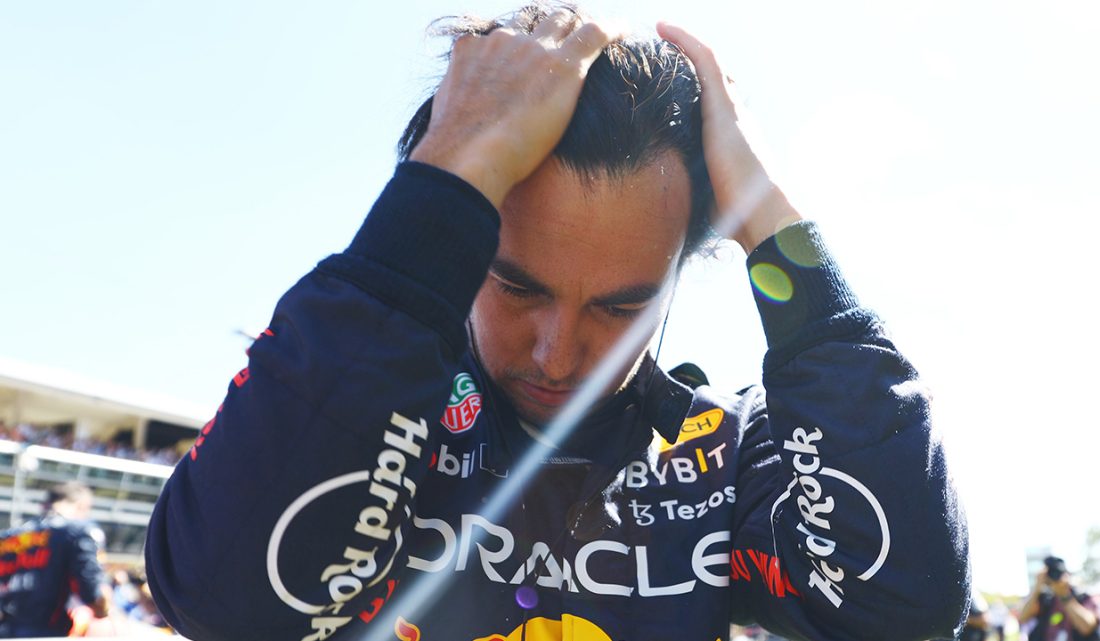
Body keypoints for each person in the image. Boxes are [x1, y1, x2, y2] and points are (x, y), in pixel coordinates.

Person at [144, 4, 970, 640]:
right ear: (453, 240)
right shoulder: (360, 414)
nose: (557, 351)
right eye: (515, 287)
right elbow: (222, 602)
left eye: (620, 306)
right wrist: (446, 171)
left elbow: (907, 604)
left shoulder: (732, 450)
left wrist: (774, 225)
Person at [0, 482, 110, 637]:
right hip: (47, 631)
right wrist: (102, 608)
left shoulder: (9, 536)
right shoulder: (78, 531)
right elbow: (92, 591)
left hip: (6, 629)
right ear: (82, 506)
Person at [1019, 556, 1099, 641]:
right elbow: (1023, 617)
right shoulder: (1046, 599)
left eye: (1058, 573)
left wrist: (1064, 595)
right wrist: (1037, 589)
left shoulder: (1081, 596)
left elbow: (1087, 627)